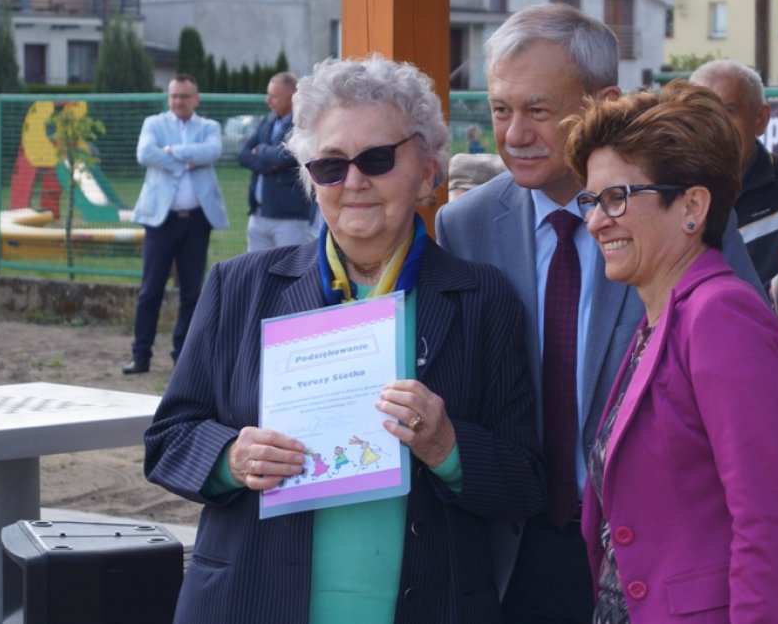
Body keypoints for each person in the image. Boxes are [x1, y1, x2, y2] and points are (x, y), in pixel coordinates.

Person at [435, 2, 778, 624]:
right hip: (515, 553)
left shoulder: (684, 222)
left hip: (660, 561)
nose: (514, 135)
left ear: (602, 101)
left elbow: (752, 358)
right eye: (500, 110)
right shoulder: (464, 225)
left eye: (538, 110)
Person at [144, 54, 545, 623]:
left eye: (377, 159)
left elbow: (525, 481)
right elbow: (168, 440)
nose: (353, 182)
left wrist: (448, 447)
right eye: (331, 165)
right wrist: (231, 458)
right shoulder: (240, 286)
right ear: (311, 180)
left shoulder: (482, 299)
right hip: (250, 605)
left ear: (428, 172)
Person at [565, 80, 778, 623]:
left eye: (616, 197)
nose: (596, 220)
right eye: (591, 201)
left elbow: (767, 522)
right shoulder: (661, 321)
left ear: (692, 206)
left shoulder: (721, 317)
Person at [124, 73, 229, 374]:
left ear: (196, 98)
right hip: (161, 221)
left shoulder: (209, 127)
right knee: (150, 290)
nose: (178, 101)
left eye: (184, 96)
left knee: (192, 293)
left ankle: (183, 358)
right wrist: (188, 159)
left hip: (196, 222)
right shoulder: (154, 124)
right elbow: (145, 154)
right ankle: (141, 355)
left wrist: (171, 151)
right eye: (173, 96)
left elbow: (213, 151)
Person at [690, 59, 778, 285]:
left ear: (761, 119)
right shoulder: (667, 192)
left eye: (728, 111)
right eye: (701, 112)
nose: (715, 125)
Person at [240, 71, 315, 251]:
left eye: (273, 96)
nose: (268, 101)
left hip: (290, 218)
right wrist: (268, 167)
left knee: (290, 266)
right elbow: (243, 155)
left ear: (291, 98)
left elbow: (285, 156)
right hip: (259, 215)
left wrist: (260, 149)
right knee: (257, 267)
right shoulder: (269, 121)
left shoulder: (303, 125)